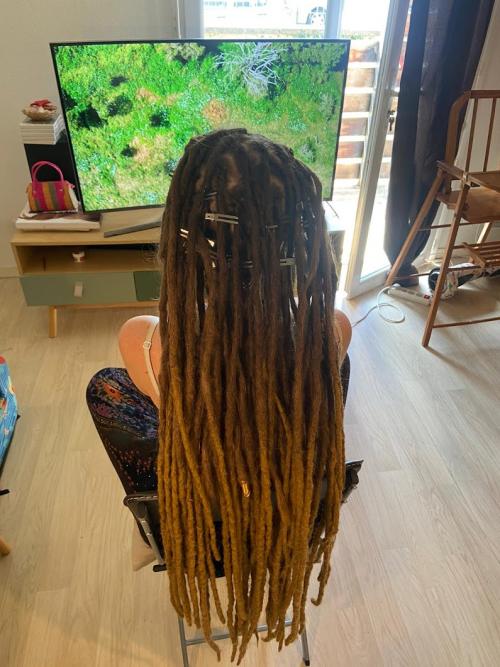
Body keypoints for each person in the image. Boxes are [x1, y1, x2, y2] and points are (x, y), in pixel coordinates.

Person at [87, 129, 352, 662]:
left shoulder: (143, 341)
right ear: (297, 236)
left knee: (106, 387)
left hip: (199, 532)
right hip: (289, 519)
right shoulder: (331, 332)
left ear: (182, 238)